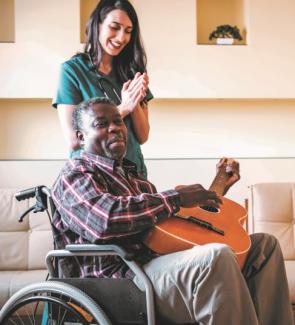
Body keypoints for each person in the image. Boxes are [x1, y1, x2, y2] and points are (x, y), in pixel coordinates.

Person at [51, 97, 294, 325]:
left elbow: (174, 229)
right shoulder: (76, 173)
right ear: (81, 137)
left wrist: (218, 188)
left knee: (265, 246)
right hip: (120, 280)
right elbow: (104, 220)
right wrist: (176, 198)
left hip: (155, 265)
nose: (115, 128)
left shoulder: (136, 179)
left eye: (118, 121)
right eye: (102, 124)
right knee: (214, 257)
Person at [53, 0, 152, 178]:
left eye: (128, 31)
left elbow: (143, 136)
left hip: (134, 176)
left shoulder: (132, 72)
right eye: (114, 27)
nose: (122, 38)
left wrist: (134, 101)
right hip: (92, 178)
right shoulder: (72, 71)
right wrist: (123, 108)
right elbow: (74, 140)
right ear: (97, 25)